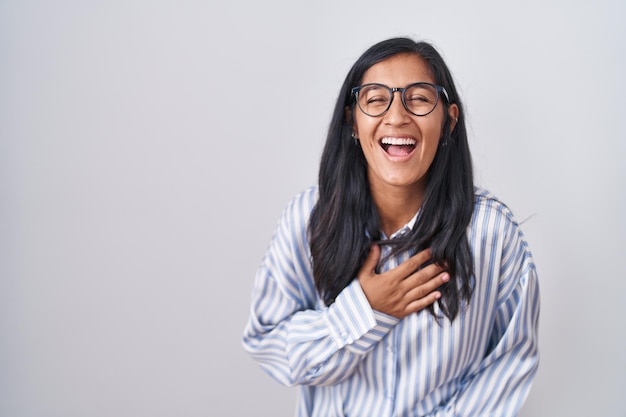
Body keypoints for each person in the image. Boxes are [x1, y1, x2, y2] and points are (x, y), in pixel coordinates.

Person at [242, 37, 540, 417]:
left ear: (448, 120)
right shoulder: (308, 218)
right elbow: (269, 344)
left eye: (417, 99)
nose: (397, 116)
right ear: (352, 120)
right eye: (376, 99)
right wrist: (364, 310)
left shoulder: (491, 233)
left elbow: (510, 363)